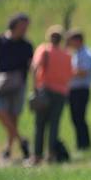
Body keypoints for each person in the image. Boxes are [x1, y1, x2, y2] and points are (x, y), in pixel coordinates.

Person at [29, 25, 73, 165]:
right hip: (61, 93)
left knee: (40, 124)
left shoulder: (44, 50)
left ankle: (37, 156)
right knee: (54, 124)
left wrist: (34, 88)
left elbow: (35, 68)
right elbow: (69, 75)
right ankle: (51, 155)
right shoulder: (67, 55)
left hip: (45, 90)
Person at [0, 13, 33, 161]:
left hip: (19, 83)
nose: (25, 29)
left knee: (14, 116)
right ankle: (21, 139)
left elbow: (31, 65)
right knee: (0, 111)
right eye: (22, 26)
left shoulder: (26, 45)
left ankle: (8, 149)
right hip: (1, 83)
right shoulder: (0, 41)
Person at [66, 29, 91, 151]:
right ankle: (80, 143)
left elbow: (84, 71)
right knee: (74, 117)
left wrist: (68, 72)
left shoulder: (87, 53)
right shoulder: (75, 53)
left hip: (82, 89)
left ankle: (85, 144)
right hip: (73, 89)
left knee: (80, 117)